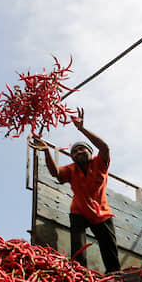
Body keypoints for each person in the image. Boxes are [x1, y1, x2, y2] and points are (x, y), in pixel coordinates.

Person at [29, 108, 121, 273]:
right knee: (78, 247)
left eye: (81, 149)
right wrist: (46, 151)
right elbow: (56, 174)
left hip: (102, 213)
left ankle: (114, 274)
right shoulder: (71, 170)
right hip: (79, 212)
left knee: (109, 249)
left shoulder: (99, 163)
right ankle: (79, 274)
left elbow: (105, 147)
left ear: (90, 152)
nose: (78, 152)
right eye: (74, 152)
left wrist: (82, 129)